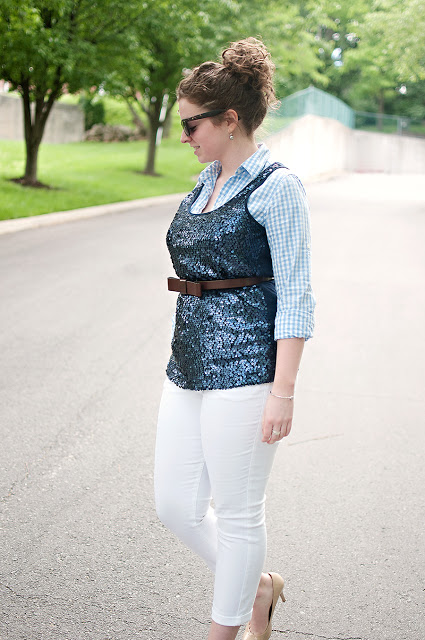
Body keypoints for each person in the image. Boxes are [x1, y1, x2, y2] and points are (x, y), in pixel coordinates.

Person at [154, 37, 315, 640]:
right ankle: (260, 587)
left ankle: (234, 628)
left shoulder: (277, 186)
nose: (184, 135)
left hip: (249, 368)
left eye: (192, 123)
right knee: (174, 505)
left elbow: (297, 294)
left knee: (241, 514)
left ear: (230, 119)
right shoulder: (206, 183)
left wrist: (285, 390)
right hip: (188, 363)